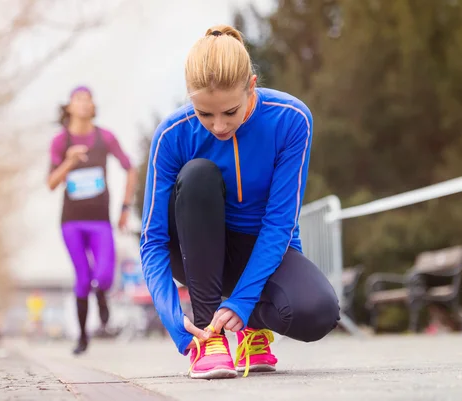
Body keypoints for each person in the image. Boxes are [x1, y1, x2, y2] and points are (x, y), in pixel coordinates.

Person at [139, 25, 340, 379]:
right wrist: (171, 315)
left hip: (263, 246)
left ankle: (248, 326)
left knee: (318, 312)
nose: (218, 126)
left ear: (252, 85)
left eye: (230, 112)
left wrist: (242, 303)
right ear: (190, 99)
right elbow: (153, 240)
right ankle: (209, 337)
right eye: (205, 114)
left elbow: (279, 224)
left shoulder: (291, 119)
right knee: (198, 174)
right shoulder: (172, 135)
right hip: (194, 251)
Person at [48, 86, 137, 355]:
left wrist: (124, 208)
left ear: (93, 106)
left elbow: (130, 168)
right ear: (70, 106)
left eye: (88, 99)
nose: (85, 103)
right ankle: (83, 337)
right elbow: (51, 182)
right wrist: (69, 161)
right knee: (82, 279)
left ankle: (102, 295)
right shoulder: (60, 142)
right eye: (79, 99)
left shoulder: (105, 137)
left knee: (104, 276)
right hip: (71, 222)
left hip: (100, 221)